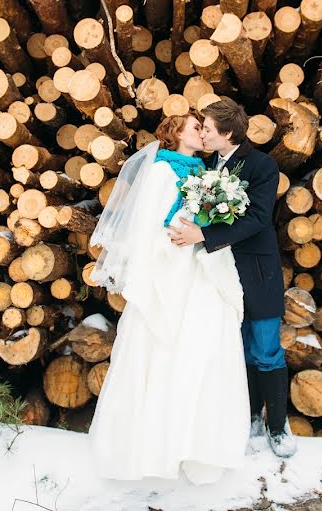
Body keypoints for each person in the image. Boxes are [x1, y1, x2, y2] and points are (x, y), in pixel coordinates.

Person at [88, 114, 250, 485]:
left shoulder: (205, 172)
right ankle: (150, 447)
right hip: (170, 269)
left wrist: (204, 230)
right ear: (175, 133)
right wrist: (184, 236)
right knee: (162, 350)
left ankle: (195, 446)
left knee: (203, 350)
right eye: (195, 126)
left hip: (201, 268)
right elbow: (149, 226)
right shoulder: (162, 171)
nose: (201, 132)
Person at [169, 98, 296, 458]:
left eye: (208, 129)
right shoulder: (205, 165)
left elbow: (257, 218)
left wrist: (204, 237)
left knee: (266, 347)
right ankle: (250, 415)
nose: (204, 134)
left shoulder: (262, 165)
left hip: (255, 268)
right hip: (215, 272)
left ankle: (277, 426)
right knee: (233, 347)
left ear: (227, 132)